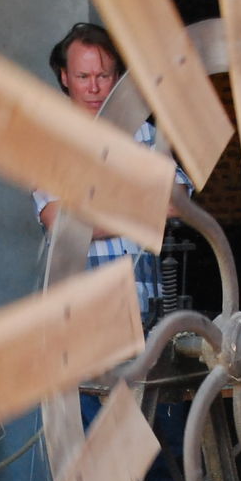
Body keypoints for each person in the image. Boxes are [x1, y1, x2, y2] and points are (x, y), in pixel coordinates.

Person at [32, 22, 187, 325]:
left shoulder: (142, 132)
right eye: (83, 77)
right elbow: (62, 222)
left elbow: (179, 199)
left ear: (117, 77)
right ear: (64, 77)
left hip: (147, 308)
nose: (94, 88)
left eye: (103, 76)